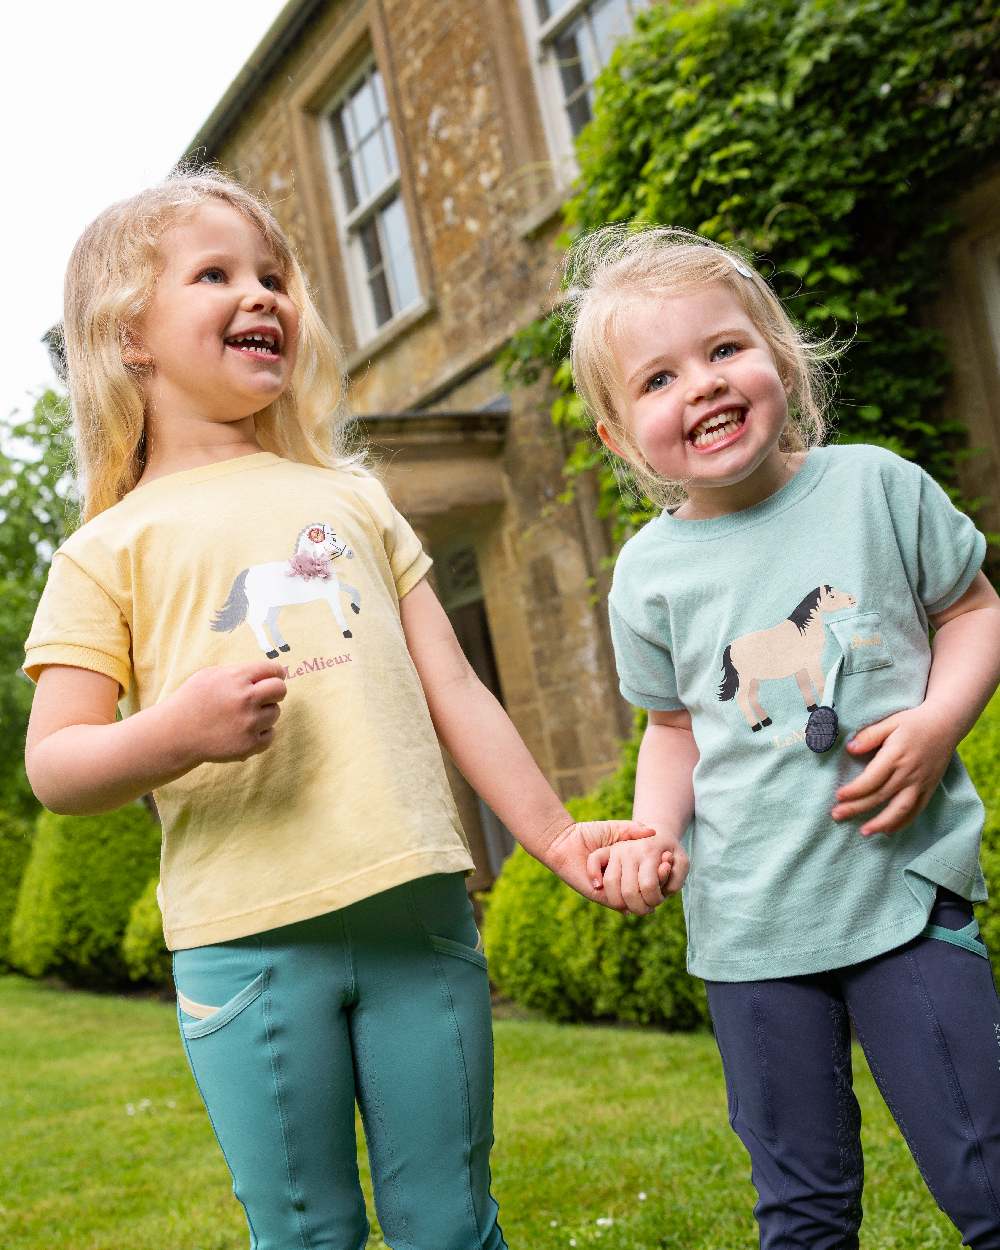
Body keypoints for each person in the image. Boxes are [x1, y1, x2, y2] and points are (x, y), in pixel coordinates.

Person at [21, 170, 670, 1250]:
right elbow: (60, 763)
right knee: (307, 1228)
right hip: (246, 941)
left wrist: (554, 838)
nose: (261, 294)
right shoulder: (105, 549)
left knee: (450, 1220)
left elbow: (453, 685)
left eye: (272, 274)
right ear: (128, 333)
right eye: (216, 273)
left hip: (419, 915)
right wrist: (174, 732)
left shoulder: (352, 497)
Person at [567, 224, 1000, 1249]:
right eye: (658, 376)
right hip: (748, 932)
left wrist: (937, 720)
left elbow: (974, 610)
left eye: (725, 350)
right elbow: (671, 726)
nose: (703, 385)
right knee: (801, 1211)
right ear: (619, 437)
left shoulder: (874, 487)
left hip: (902, 890)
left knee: (984, 1167)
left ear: (780, 354)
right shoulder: (649, 574)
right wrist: (649, 828)